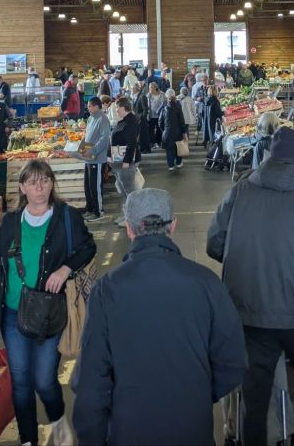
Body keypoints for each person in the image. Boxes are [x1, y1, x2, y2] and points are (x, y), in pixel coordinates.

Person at [208, 127, 294, 446]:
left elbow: (214, 241)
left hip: (251, 311)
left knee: (255, 396)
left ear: (270, 155)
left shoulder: (242, 189)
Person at [74, 188, 246, 446]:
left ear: (129, 229)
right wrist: (200, 393)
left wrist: (92, 437)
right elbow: (233, 361)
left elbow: (91, 378)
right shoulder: (206, 283)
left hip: (129, 429)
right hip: (193, 428)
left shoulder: (107, 290)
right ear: (173, 225)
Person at [0, 160, 96, 446]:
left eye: (44, 180)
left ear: (52, 183)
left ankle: (58, 422)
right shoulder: (10, 223)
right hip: (12, 314)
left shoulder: (66, 217)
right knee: (20, 381)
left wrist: (65, 269)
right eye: (32, 182)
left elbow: (88, 247)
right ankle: (27, 439)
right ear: (22, 188)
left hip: (50, 313)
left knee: (44, 380)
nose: (39, 187)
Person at [110, 97, 142, 224]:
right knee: (123, 190)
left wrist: (127, 161)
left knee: (129, 191)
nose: (116, 110)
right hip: (120, 161)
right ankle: (126, 215)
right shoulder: (126, 120)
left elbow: (132, 143)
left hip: (126, 162)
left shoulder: (131, 122)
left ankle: (132, 219)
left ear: (123, 108)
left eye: (117, 107)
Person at [81, 97, 111, 222]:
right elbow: (88, 136)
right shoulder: (90, 118)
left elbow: (104, 140)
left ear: (97, 106)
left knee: (95, 186)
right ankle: (90, 209)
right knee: (88, 186)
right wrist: (81, 148)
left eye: (90, 106)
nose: (88, 108)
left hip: (97, 159)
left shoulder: (103, 119)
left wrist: (92, 151)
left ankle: (98, 212)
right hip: (88, 158)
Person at [160, 90, 187, 171]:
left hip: (167, 133)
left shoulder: (164, 109)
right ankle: (178, 163)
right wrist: (184, 132)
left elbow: (160, 122)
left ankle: (170, 165)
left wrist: (164, 129)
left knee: (169, 149)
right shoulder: (178, 108)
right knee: (178, 147)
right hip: (178, 132)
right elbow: (182, 122)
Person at [131, 83, 152, 153]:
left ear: (136, 89)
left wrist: (142, 118)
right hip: (137, 118)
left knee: (144, 134)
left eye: (133, 88)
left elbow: (145, 109)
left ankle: (147, 148)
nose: (131, 90)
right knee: (140, 134)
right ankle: (142, 148)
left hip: (141, 119)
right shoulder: (135, 96)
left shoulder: (142, 96)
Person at [147, 82, 166, 148]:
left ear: (155, 88)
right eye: (149, 88)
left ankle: (158, 141)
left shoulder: (162, 94)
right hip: (151, 115)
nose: (150, 89)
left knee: (159, 129)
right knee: (150, 129)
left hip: (160, 115)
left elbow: (164, 103)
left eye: (151, 88)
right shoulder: (148, 95)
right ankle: (153, 142)